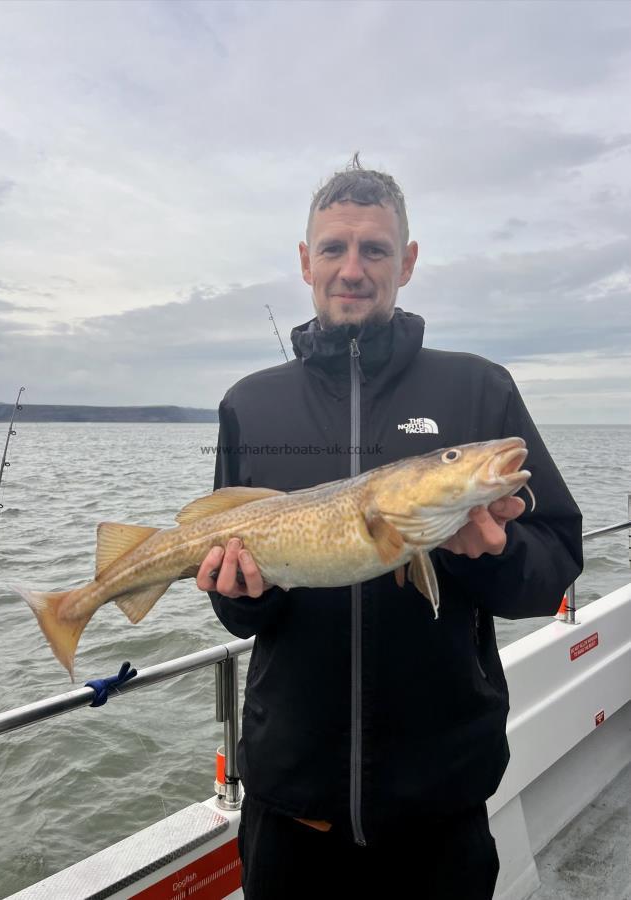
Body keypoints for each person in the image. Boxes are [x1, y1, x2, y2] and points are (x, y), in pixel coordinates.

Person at [196, 159, 583, 899]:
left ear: (406, 263)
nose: (353, 268)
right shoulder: (251, 403)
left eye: (374, 249)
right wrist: (238, 595)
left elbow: (556, 566)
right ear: (305, 261)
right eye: (334, 249)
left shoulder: (479, 388)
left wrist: (493, 555)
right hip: (291, 811)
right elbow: (245, 605)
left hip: (438, 812)